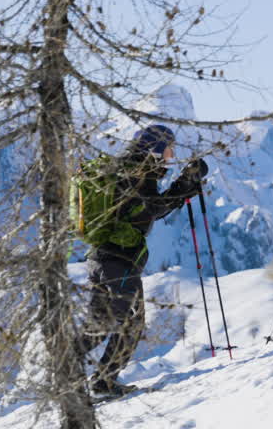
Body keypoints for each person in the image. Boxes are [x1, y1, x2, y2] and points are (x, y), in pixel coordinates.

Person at [77, 124, 207, 397]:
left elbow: (145, 209)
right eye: (169, 149)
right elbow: (150, 210)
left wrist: (181, 189)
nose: (171, 156)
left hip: (101, 257)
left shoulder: (126, 168)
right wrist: (184, 186)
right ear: (155, 149)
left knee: (101, 322)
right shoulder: (138, 172)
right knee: (130, 322)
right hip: (118, 259)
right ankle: (102, 383)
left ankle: (65, 370)